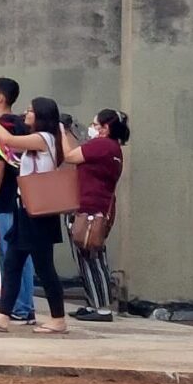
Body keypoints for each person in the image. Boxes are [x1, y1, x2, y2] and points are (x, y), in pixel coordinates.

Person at [0, 98, 73, 334]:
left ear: (41, 115)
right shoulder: (40, 139)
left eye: (30, 110)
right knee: (12, 262)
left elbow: (8, 140)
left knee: (44, 267)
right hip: (26, 209)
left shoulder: (44, 138)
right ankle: (3, 314)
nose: (25, 113)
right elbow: (8, 146)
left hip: (38, 212)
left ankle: (58, 318)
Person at [66, 108, 129, 322]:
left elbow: (70, 156)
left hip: (92, 209)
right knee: (87, 258)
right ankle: (93, 303)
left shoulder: (103, 145)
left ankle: (102, 307)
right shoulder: (112, 148)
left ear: (106, 128)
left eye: (95, 124)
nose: (91, 128)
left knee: (93, 258)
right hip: (94, 207)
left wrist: (64, 132)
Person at [0, 78, 35, 323]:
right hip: (19, 197)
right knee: (19, 255)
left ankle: (20, 307)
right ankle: (21, 305)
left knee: (12, 255)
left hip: (5, 199)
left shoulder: (3, 126)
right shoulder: (21, 125)